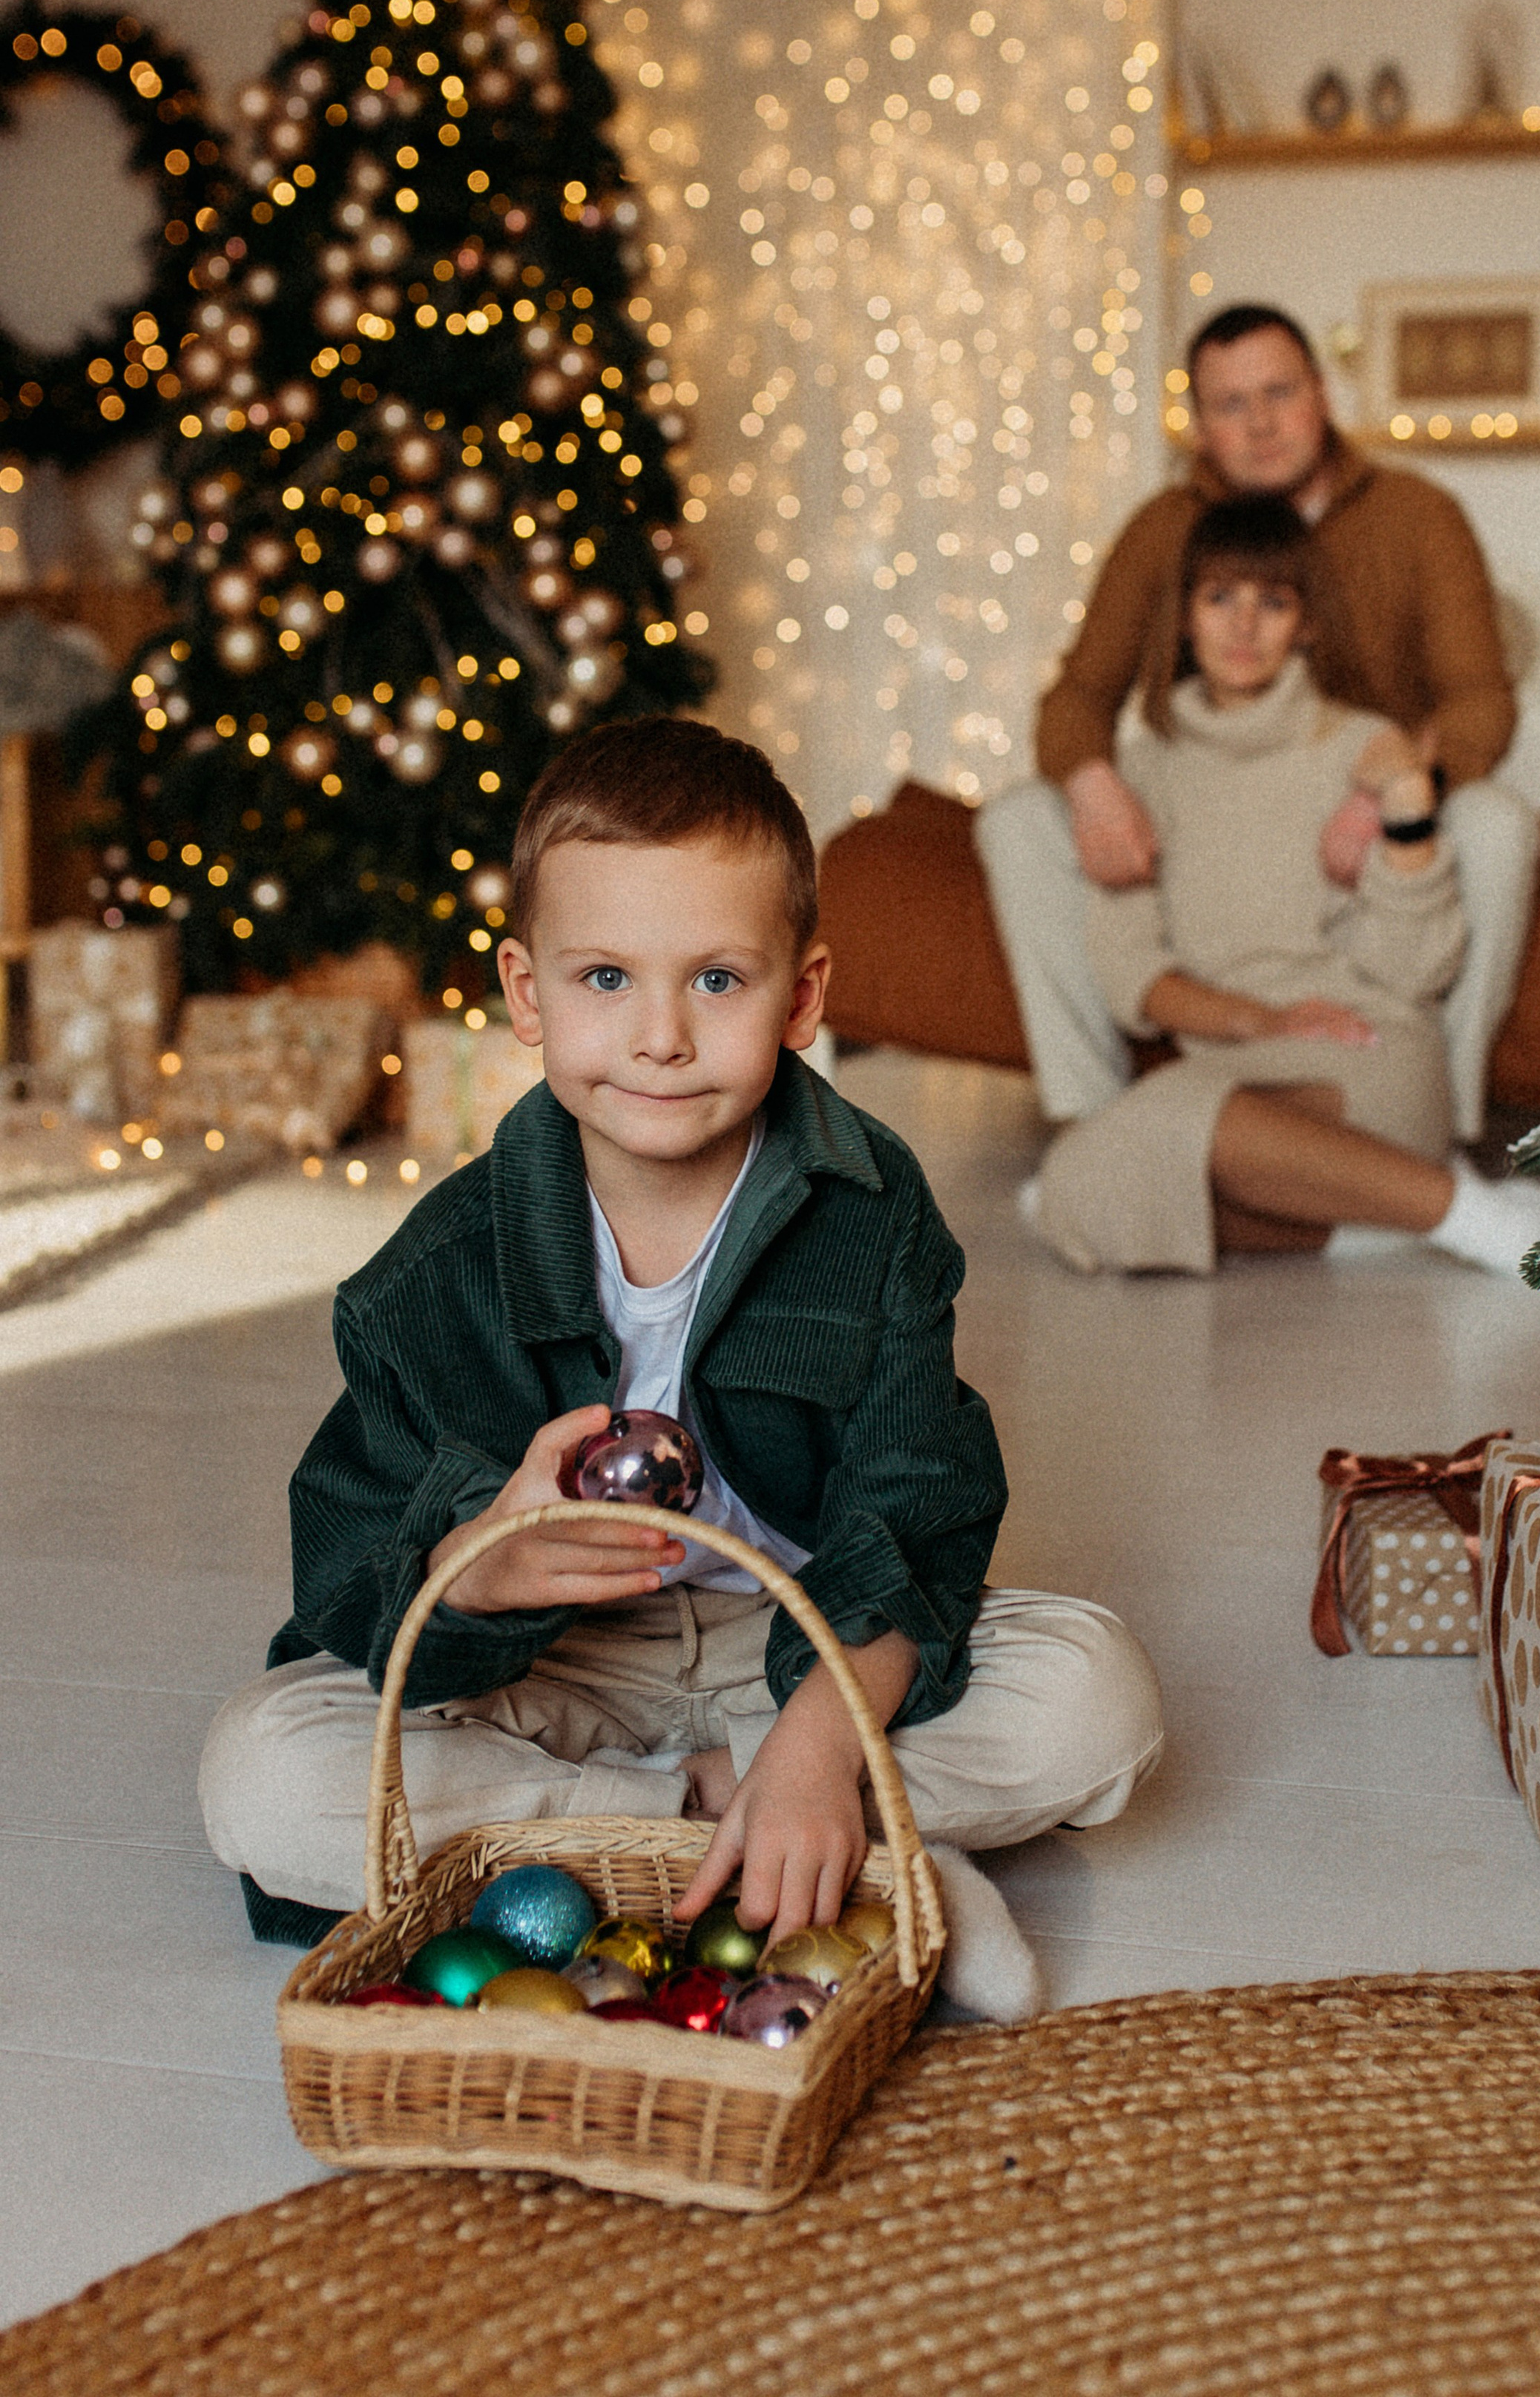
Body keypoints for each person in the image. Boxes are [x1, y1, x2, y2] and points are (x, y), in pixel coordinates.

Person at [200, 717, 1162, 2007]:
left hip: (800, 1634)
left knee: (1096, 1701)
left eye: (717, 980)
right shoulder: (437, 1269)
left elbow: (916, 1501)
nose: (660, 1035)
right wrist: (478, 1566)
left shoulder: (871, 1209)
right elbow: (350, 1558)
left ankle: (773, 1809)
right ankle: (804, 1842)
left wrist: (823, 1731)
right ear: (527, 993)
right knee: (262, 1775)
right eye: (605, 979)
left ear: (803, 997)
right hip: (561, 1672)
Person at [978, 303, 1540, 1140]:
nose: (1261, 423)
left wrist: (1387, 790)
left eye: (1279, 392)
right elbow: (1078, 698)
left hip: (1377, 810)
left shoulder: (1418, 515)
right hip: (1217, 801)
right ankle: (1088, 1116)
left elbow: (1481, 700)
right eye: (1230, 404)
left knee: (1498, 826)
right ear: (1199, 424)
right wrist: (1096, 788)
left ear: (1321, 392)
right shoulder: (1162, 529)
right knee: (1018, 821)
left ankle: (1440, 1125)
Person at [1027, 496, 1540, 1280]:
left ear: (1307, 624)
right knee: (1079, 1189)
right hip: (1239, 1065)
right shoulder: (1142, 774)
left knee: (1125, 1158)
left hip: (1369, 1055)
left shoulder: (1361, 747)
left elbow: (1416, 972)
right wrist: (1259, 1020)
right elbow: (1130, 977)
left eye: (1272, 602)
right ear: (1183, 617)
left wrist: (1408, 807)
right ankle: (1387, 1219)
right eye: (1219, 599)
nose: (1243, 627)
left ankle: (1480, 1225)